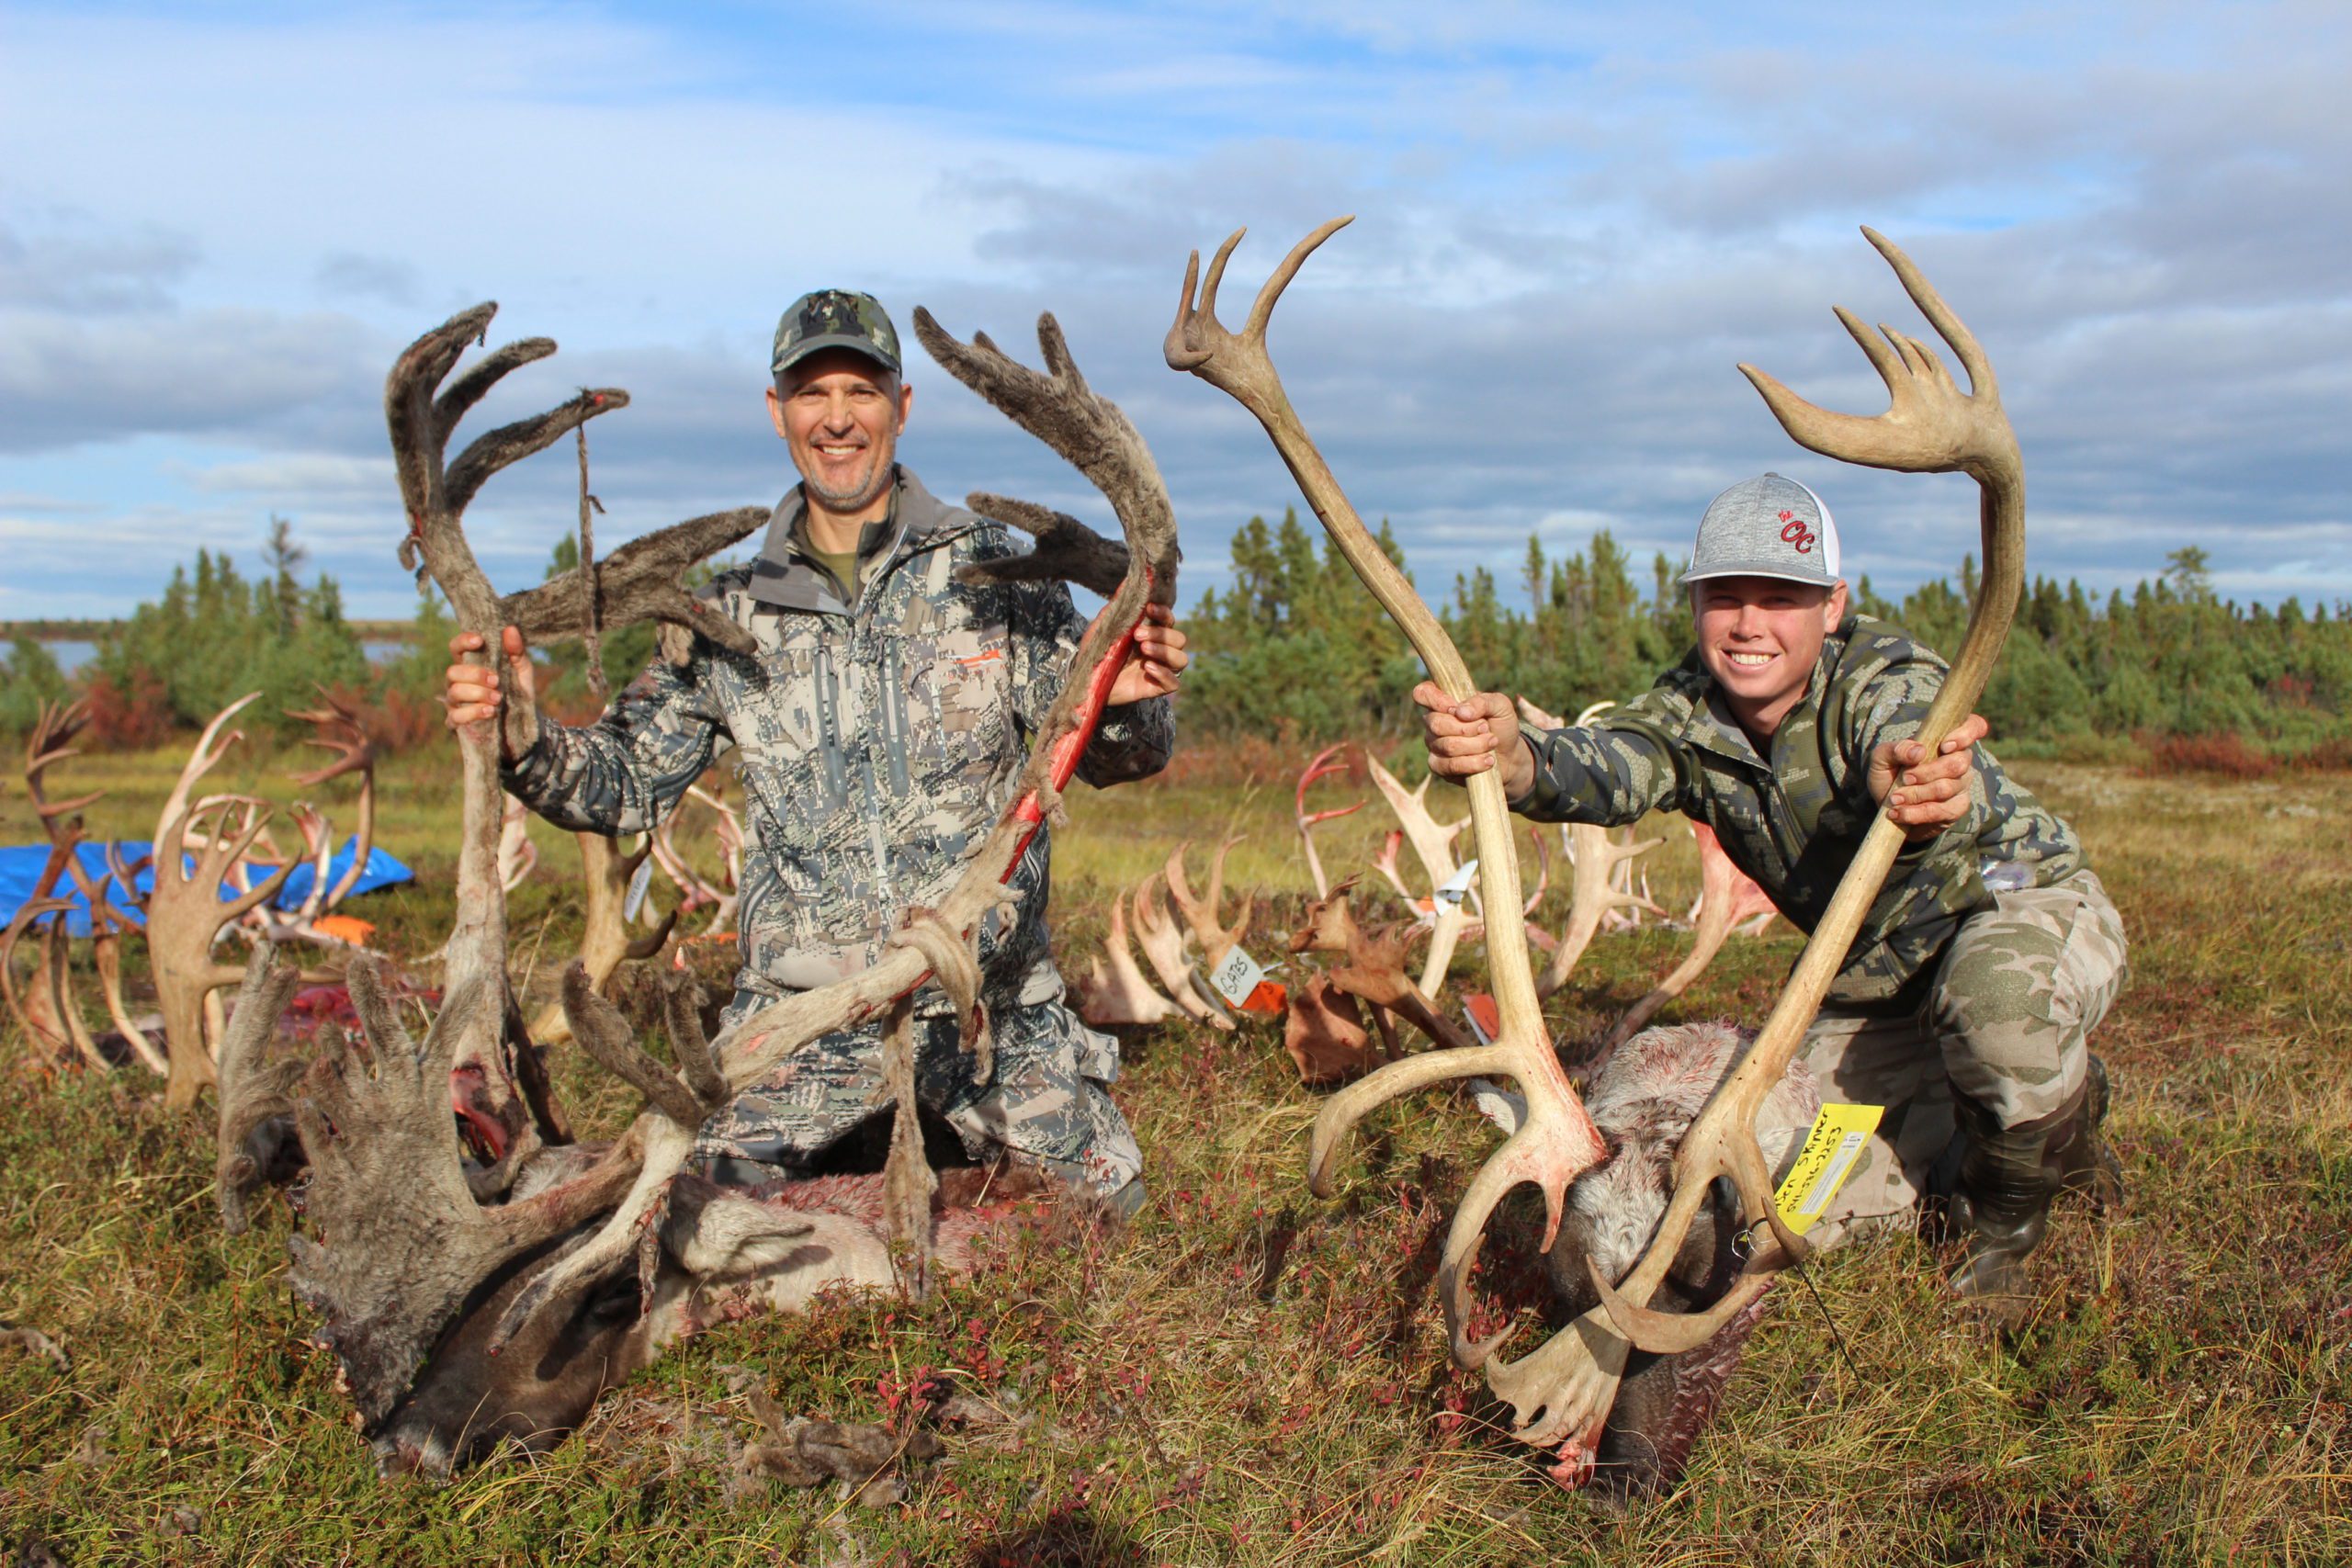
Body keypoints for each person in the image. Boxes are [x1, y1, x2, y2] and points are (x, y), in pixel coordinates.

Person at [444, 288, 1188, 1216]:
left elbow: (1119, 753)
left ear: (900, 407)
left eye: (861, 390)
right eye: (812, 393)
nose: (837, 417)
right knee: (680, 1224)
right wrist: (520, 734)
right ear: (779, 413)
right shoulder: (723, 611)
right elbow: (622, 782)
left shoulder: (1001, 575)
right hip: (798, 1032)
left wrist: (1124, 703)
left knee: (1105, 1219)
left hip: (991, 1020)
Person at [1417, 472, 2125, 1297]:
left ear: (1832, 605)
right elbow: (1610, 761)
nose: (1749, 624)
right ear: (1695, 605)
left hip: (2018, 907)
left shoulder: (1882, 676)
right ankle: (2017, 1113)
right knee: (1780, 1194)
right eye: (1725, 595)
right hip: (1874, 981)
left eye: (1781, 596)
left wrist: (1913, 780)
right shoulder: (1689, 711)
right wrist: (1517, 759)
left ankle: (2005, 1209)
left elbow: (1905, 733)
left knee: (1999, 1008)